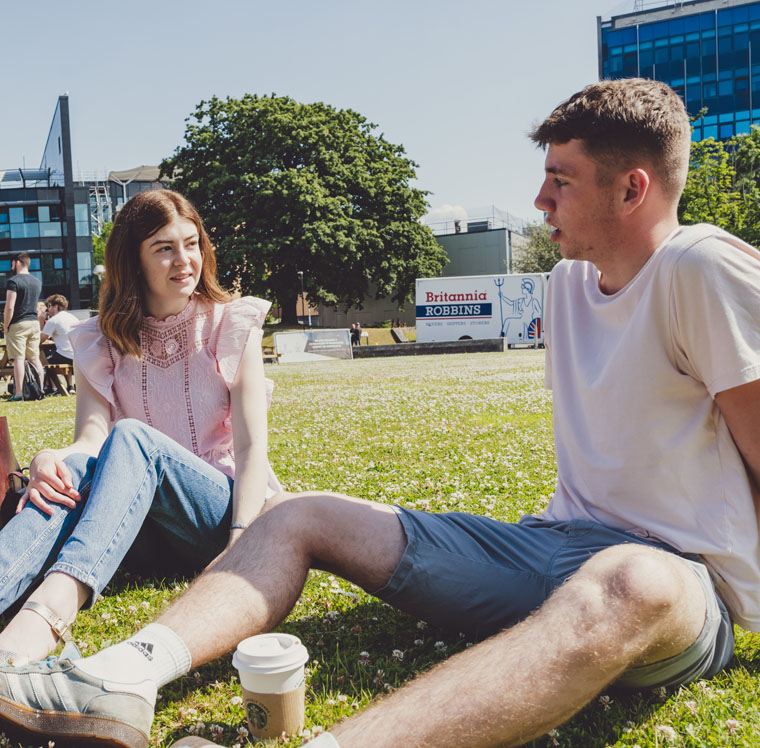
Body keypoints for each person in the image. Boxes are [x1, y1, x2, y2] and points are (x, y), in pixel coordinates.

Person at [1, 79, 759, 748]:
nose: (539, 201)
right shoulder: (567, 285)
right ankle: (121, 675)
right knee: (298, 513)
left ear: (631, 189)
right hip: (553, 548)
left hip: (678, 582)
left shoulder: (701, 266)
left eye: (560, 181)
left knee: (630, 578)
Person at [0, 189, 280, 670]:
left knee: (131, 436)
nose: (185, 260)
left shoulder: (232, 322)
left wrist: (240, 544)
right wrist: (50, 458)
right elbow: (89, 441)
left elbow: (254, 450)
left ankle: (43, 620)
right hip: (133, 529)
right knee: (68, 479)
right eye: (165, 248)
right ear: (134, 258)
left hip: (215, 516)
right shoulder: (99, 340)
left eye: (191, 244)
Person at [3, 252, 45, 402]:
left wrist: (6, 326)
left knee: (18, 359)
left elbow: (9, 307)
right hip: (33, 323)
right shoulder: (36, 282)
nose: (11, 267)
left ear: (18, 263)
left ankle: (19, 393)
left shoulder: (13, 281)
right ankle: (40, 390)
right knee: (34, 358)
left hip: (18, 324)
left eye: (12, 264)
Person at [40, 294, 78, 392]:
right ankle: (69, 386)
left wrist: (40, 320)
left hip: (66, 355)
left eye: (49, 306)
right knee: (57, 352)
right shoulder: (72, 317)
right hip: (78, 355)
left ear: (55, 306)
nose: (47, 309)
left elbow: (39, 340)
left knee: (42, 357)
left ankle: (53, 387)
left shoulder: (53, 320)